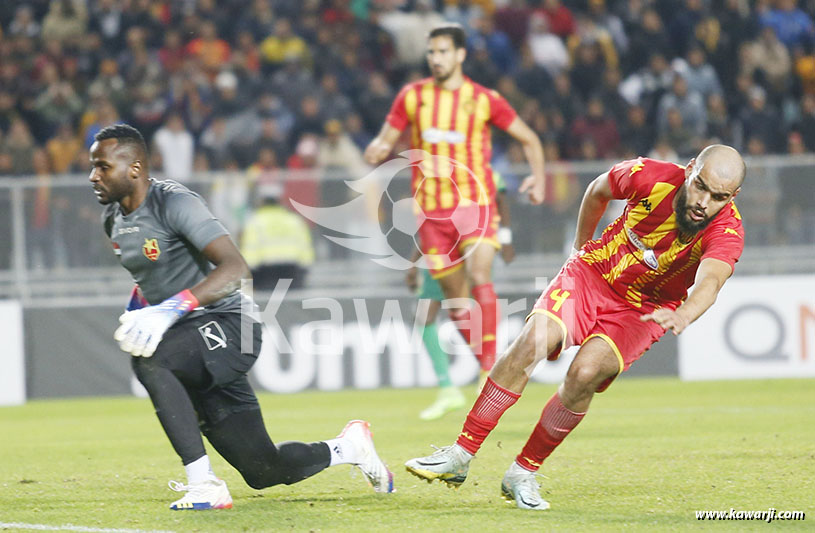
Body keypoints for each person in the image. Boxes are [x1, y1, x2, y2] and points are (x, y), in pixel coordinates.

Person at [405, 144, 746, 511]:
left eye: (718, 197)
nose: (703, 202)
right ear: (690, 168)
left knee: (584, 373)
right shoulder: (648, 175)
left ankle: (522, 472)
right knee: (534, 340)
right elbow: (598, 190)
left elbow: (709, 283)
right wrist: (579, 248)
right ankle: (460, 454)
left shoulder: (728, 231)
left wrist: (685, 314)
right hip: (593, 272)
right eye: (700, 186)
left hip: (645, 308)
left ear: (733, 197)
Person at [89, 124, 393, 511]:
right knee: (263, 469)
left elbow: (235, 269)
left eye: (101, 167)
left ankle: (204, 485)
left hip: (231, 326)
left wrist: (168, 310)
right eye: (92, 167)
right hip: (189, 341)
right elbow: (149, 280)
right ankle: (350, 446)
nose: (93, 176)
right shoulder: (113, 218)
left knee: (151, 361)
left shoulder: (174, 202)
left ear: (133, 168)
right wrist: (137, 313)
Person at [364, 23, 546, 387]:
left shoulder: (483, 99)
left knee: (481, 273)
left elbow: (528, 137)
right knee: (455, 300)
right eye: (431, 52)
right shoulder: (413, 97)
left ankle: (489, 367)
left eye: (443, 51)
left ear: (461, 55)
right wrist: (377, 148)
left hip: (473, 204)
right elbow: (384, 138)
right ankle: (490, 365)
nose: (436, 59)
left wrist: (538, 177)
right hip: (431, 214)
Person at [407, 174, 516, 420]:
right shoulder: (435, 168)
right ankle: (490, 373)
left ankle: (481, 376)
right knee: (445, 312)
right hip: (440, 248)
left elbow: (499, 198)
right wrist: (414, 261)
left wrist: (505, 239)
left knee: (431, 313)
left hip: (467, 246)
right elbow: (430, 221)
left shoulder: (470, 157)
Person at [240, 183, 315, 290]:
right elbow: (306, 251)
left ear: (261, 201)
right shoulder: (294, 220)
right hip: (292, 270)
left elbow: (249, 253)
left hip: (265, 273)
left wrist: (248, 282)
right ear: (280, 200)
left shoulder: (254, 222)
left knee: (269, 305)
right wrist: (304, 272)